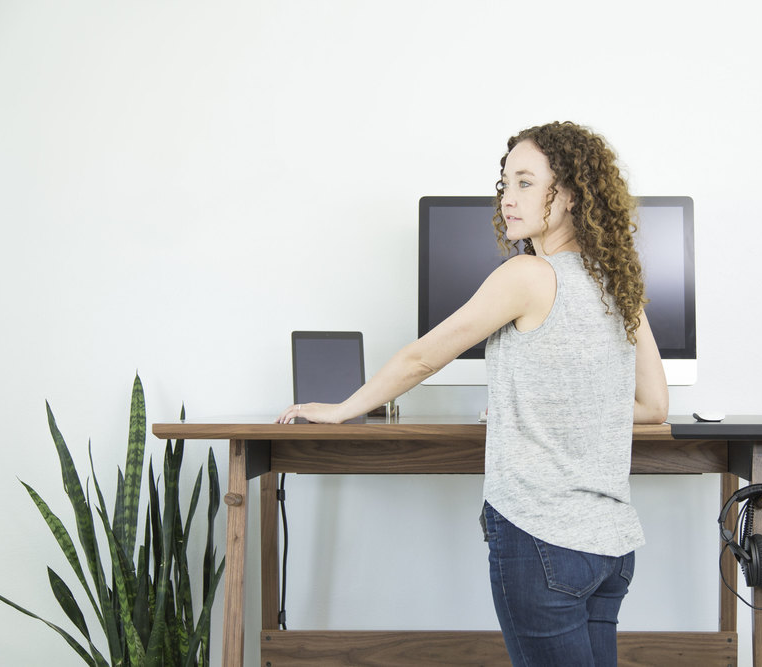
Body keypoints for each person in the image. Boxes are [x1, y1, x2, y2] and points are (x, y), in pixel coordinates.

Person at [276, 121, 669, 666]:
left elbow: (423, 357)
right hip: (610, 548)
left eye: (527, 183)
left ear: (573, 193)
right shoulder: (617, 283)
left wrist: (343, 409)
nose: (508, 199)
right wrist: (544, 409)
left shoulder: (528, 275)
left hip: (541, 538)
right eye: (505, 183)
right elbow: (653, 408)